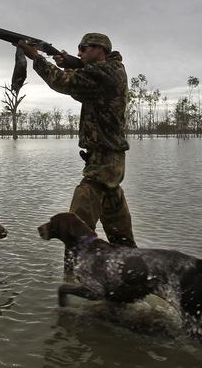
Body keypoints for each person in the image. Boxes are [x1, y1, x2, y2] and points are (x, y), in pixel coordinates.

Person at [18, 33, 137, 260]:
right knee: (119, 232)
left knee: (75, 229)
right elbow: (78, 89)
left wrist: (36, 57)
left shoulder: (107, 72)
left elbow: (63, 82)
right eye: (78, 49)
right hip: (108, 162)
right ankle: (134, 271)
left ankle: (75, 280)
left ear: (100, 49)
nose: (80, 52)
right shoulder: (108, 71)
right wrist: (66, 61)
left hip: (103, 164)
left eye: (84, 48)